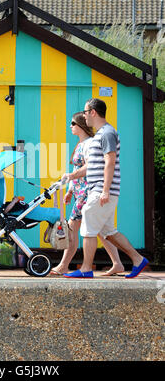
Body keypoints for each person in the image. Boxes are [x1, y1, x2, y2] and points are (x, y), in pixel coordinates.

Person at [63, 98, 148, 279]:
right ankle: (138, 259)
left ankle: (86, 269)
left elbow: (110, 161)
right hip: (99, 189)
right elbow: (92, 165)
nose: (84, 116)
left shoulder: (107, 133)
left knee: (87, 228)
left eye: (85, 112)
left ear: (93, 112)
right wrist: (71, 176)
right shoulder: (100, 135)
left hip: (100, 190)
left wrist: (105, 190)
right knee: (108, 232)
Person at [50, 112, 124, 276]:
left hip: (86, 191)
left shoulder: (89, 144)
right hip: (79, 191)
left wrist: (71, 179)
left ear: (81, 126)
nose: (70, 126)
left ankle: (63, 265)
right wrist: (70, 190)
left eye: (73, 123)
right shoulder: (81, 144)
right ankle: (117, 263)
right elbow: (77, 169)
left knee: (72, 228)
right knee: (97, 229)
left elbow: (89, 167)